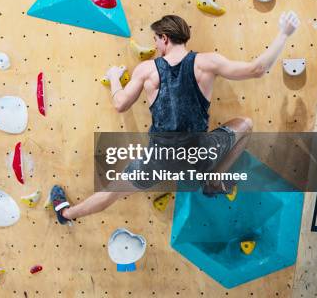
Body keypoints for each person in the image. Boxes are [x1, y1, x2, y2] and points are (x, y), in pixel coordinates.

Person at [50, 11, 301, 224]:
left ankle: (66, 213)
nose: (156, 46)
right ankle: (213, 181)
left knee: (111, 193)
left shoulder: (147, 70)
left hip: (159, 160)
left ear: (165, 38)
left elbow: (120, 104)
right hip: (199, 157)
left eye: (156, 40)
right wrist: (284, 34)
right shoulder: (207, 62)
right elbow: (256, 69)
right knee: (244, 125)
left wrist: (115, 77)